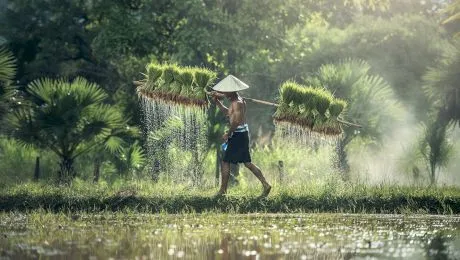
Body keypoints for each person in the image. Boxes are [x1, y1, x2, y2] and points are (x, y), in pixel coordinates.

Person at [210, 75, 271, 197]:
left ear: (231, 91)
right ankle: (265, 184)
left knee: (226, 161)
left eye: (226, 91)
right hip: (240, 133)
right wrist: (217, 102)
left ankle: (222, 191)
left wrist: (229, 133)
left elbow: (236, 121)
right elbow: (229, 113)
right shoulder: (236, 101)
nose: (224, 93)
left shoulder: (237, 103)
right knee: (247, 163)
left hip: (238, 134)